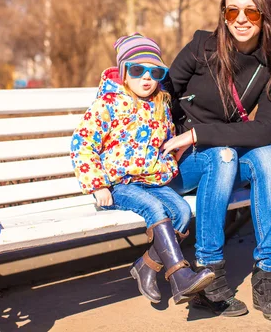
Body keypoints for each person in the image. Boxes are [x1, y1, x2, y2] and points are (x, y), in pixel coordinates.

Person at [161, 0, 271, 321]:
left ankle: (269, 273)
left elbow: (264, 131)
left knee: (266, 155)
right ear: (223, 14)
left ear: (266, 16)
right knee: (223, 154)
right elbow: (162, 97)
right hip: (178, 162)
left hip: (210, 150)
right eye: (232, 9)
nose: (240, 18)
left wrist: (198, 134)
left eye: (251, 12)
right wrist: (177, 137)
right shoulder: (201, 48)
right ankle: (208, 274)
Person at [70, 33, 214, 305]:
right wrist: (97, 184)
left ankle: (146, 266)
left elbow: (163, 142)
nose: (146, 78)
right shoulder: (108, 104)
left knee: (182, 212)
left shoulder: (160, 105)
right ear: (124, 72)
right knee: (156, 210)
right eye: (137, 70)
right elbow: (82, 143)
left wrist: (172, 154)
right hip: (118, 185)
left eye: (155, 72)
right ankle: (179, 276)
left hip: (151, 182)